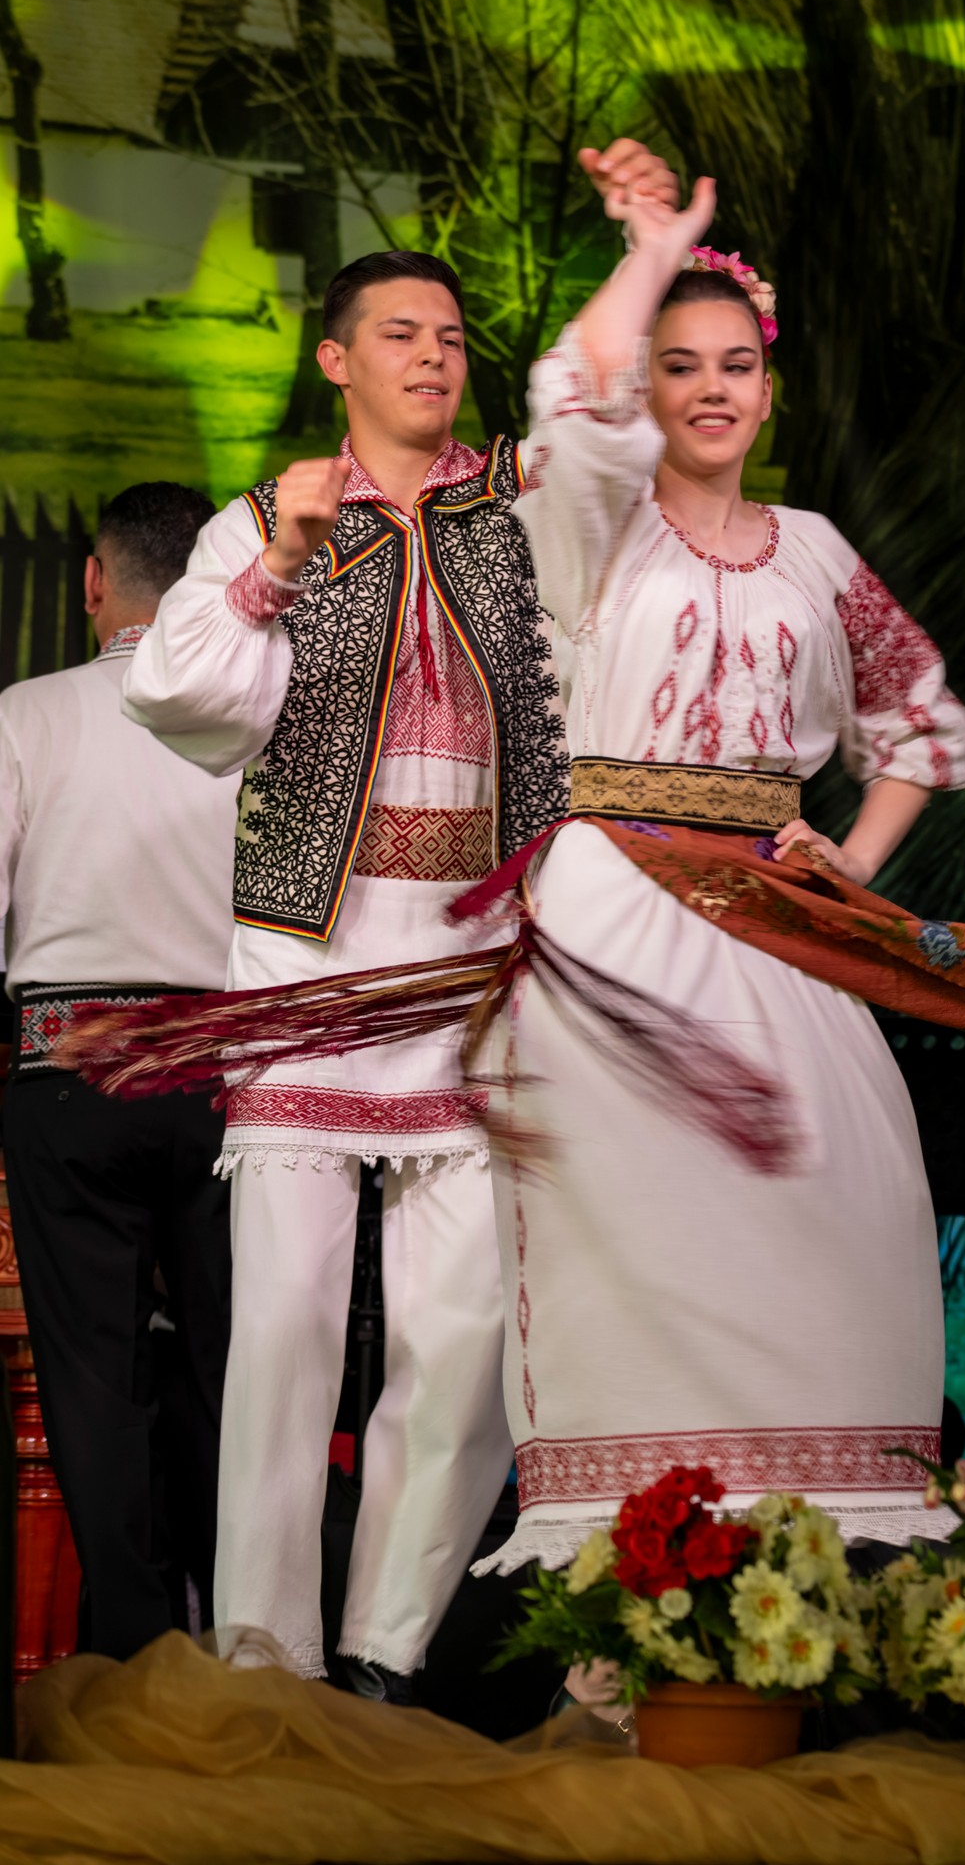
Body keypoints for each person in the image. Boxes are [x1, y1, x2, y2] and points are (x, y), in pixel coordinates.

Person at [119, 144, 678, 1698]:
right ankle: (263, 1652)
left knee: (461, 1335)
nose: (433, 356)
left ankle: (385, 1647)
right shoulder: (268, 517)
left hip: (474, 966)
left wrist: (647, 253)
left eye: (449, 336)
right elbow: (180, 698)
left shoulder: (522, 506)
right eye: (399, 335)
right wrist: (278, 565)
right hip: (308, 960)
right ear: (335, 361)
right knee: (285, 1332)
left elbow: (603, 418)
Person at [462, 161, 965, 1575]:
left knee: (839, 1191)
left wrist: (849, 858)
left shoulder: (812, 549)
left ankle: (819, 1553)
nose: (709, 389)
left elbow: (919, 718)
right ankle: (630, 1561)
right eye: (680, 364)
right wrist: (655, 249)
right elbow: (573, 397)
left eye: (735, 365)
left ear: (769, 387)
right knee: (641, 1221)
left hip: (776, 920)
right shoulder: (593, 526)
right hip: (615, 909)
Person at [0, 482, 237, 1660]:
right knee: (225, 1371)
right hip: (225, 1084)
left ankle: (133, 1656)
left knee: (94, 1381)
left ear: (94, 581)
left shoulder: (27, 711)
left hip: (68, 1076)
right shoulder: (254, 724)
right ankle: (235, 1636)